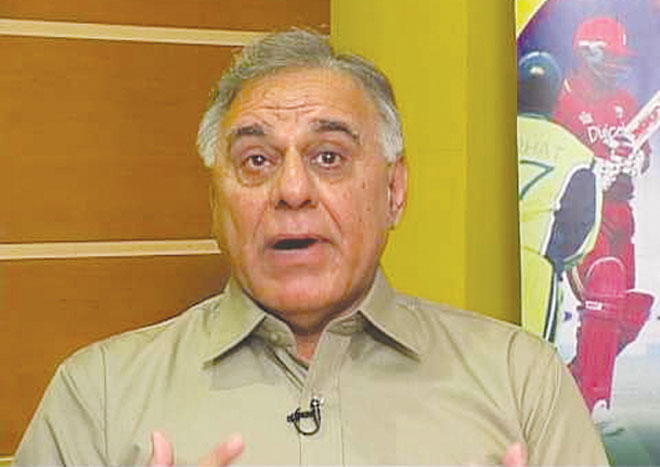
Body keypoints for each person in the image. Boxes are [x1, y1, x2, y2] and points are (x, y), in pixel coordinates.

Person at [14, 30, 607, 466]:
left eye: (329, 157)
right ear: (216, 199)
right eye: (256, 161)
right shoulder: (98, 396)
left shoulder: (521, 383)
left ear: (394, 191)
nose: (292, 190)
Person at [553, 16, 654, 415]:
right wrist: (595, 169)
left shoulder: (625, 103)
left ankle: (572, 382)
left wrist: (634, 161)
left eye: (620, 59)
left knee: (631, 310)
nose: (616, 66)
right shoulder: (561, 101)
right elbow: (556, 164)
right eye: (609, 57)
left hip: (622, 216)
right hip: (585, 216)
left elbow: (643, 155)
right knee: (605, 295)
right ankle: (590, 400)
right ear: (586, 54)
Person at [517, 51, 601, 342]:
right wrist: (550, 257)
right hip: (537, 270)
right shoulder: (579, 155)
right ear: (556, 97)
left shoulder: (483, 137)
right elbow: (581, 234)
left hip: (479, 261)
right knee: (529, 362)